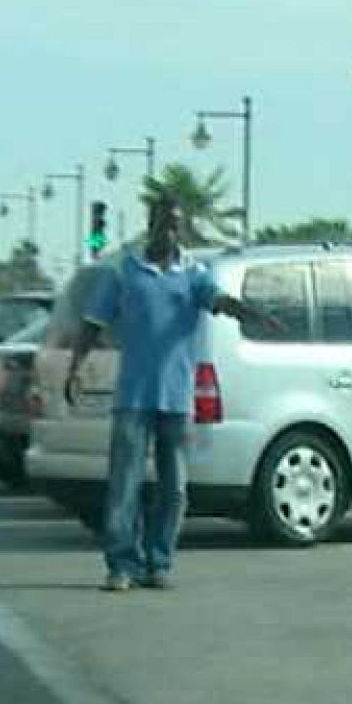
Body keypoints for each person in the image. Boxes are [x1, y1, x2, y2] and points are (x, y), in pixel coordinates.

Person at [65, 197, 281, 592]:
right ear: (151, 224)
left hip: (176, 399)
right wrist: (75, 367)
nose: (170, 231)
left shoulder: (193, 274)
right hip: (133, 397)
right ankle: (121, 564)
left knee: (175, 489)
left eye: (176, 225)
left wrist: (249, 313)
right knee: (124, 486)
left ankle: (158, 560)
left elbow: (217, 300)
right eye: (164, 223)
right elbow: (92, 324)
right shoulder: (123, 272)